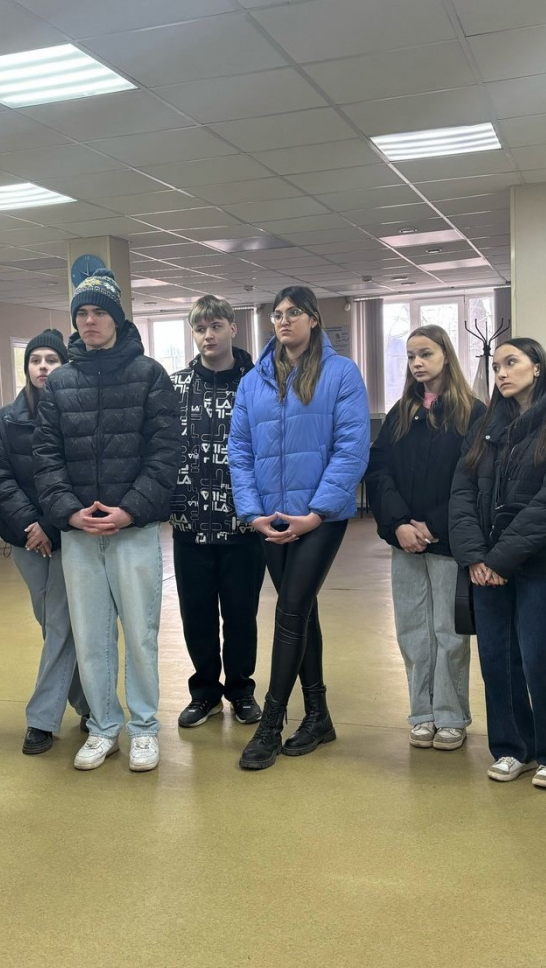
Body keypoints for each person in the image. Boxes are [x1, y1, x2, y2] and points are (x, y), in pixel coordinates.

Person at [33, 269, 182, 773]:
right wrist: (68, 511)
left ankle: (143, 728)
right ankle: (103, 727)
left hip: (132, 530)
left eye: (99, 312)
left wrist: (131, 508)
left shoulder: (149, 375)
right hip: (79, 533)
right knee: (91, 636)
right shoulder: (60, 383)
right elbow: (46, 457)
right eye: (82, 313)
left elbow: (165, 453)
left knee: (139, 633)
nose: (90, 320)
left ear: (117, 318)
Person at [229, 286, 369, 771]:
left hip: (318, 518)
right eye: (277, 314)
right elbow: (240, 451)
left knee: (289, 611)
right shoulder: (253, 382)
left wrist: (317, 512)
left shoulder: (341, 373)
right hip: (272, 519)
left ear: (313, 319)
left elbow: (351, 448)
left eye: (293, 313)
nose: (283, 321)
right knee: (302, 611)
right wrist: (253, 513)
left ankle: (271, 724)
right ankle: (318, 716)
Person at [447, 338, 546, 789]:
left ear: (537, 368)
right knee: (496, 660)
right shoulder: (485, 426)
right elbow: (461, 492)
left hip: (538, 564)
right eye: (497, 366)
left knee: (539, 658)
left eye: (512, 363)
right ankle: (513, 748)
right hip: (485, 565)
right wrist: (474, 556)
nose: (502, 373)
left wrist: (501, 558)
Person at [367, 325, 484, 751]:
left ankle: (451, 716)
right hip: (406, 543)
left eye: (426, 354)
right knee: (412, 629)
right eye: (412, 356)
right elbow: (379, 471)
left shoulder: (472, 413)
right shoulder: (400, 413)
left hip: (447, 541)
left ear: (446, 356)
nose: (417, 363)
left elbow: (471, 477)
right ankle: (422, 713)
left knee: (448, 631)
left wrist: (434, 525)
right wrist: (399, 524)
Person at [0, 328, 89, 756]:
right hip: (25, 540)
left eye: (52, 359)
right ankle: (90, 704)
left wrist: (49, 522)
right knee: (53, 624)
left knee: (60, 623)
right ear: (27, 367)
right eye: (35, 360)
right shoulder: (5, 420)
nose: (43, 367)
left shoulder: (76, 413)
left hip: (67, 535)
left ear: (64, 365)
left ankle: (41, 720)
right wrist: (31, 524)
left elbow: (79, 475)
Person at [170, 295, 264, 730]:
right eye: (200, 328)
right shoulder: (175, 387)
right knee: (197, 617)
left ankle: (241, 690)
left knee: (242, 615)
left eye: (215, 326)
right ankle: (204, 692)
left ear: (232, 328)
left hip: (243, 523)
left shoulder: (258, 384)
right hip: (190, 522)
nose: (208, 335)